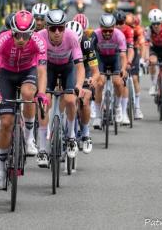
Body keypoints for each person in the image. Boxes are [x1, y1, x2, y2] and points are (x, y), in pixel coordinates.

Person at [0, 10, 48, 189]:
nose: (21, 39)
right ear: (11, 31)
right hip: (6, 74)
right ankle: (0, 170)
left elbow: (42, 72)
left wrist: (43, 94)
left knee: (29, 93)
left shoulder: (39, 41)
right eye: (17, 34)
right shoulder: (1, 41)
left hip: (27, 72)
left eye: (25, 35)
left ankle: (29, 139)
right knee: (6, 123)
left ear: (32, 33)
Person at [36, 10, 85, 166]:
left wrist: (78, 85)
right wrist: (41, 92)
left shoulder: (71, 37)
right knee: (44, 102)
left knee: (70, 99)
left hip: (67, 68)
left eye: (61, 28)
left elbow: (80, 67)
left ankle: (71, 137)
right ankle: (42, 150)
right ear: (47, 28)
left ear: (65, 27)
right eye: (53, 28)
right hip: (48, 68)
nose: (57, 32)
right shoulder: (40, 37)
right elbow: (40, 68)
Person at [66, 20, 99, 154]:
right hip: (68, 70)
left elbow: (95, 71)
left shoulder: (86, 43)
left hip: (85, 70)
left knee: (84, 100)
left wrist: (92, 79)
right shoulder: (62, 41)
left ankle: (85, 133)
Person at [92, 13, 127, 125]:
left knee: (117, 82)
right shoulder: (95, 35)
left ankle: (117, 107)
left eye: (110, 31)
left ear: (114, 28)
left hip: (114, 58)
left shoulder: (119, 35)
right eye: (104, 31)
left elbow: (123, 55)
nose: (107, 33)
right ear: (100, 28)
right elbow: (91, 54)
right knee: (100, 83)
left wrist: (124, 69)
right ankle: (97, 115)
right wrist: (93, 71)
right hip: (101, 58)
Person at [115, 10, 134, 125]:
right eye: (116, 23)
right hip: (111, 55)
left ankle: (124, 111)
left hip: (124, 54)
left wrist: (128, 62)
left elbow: (130, 49)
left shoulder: (128, 30)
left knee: (123, 81)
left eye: (121, 22)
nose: (119, 25)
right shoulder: (109, 31)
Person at [125, 13, 146, 119]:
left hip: (134, 51)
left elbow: (143, 45)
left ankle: (137, 108)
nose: (129, 28)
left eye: (131, 26)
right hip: (123, 52)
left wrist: (142, 59)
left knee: (134, 78)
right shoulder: (120, 29)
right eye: (126, 25)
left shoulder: (138, 30)